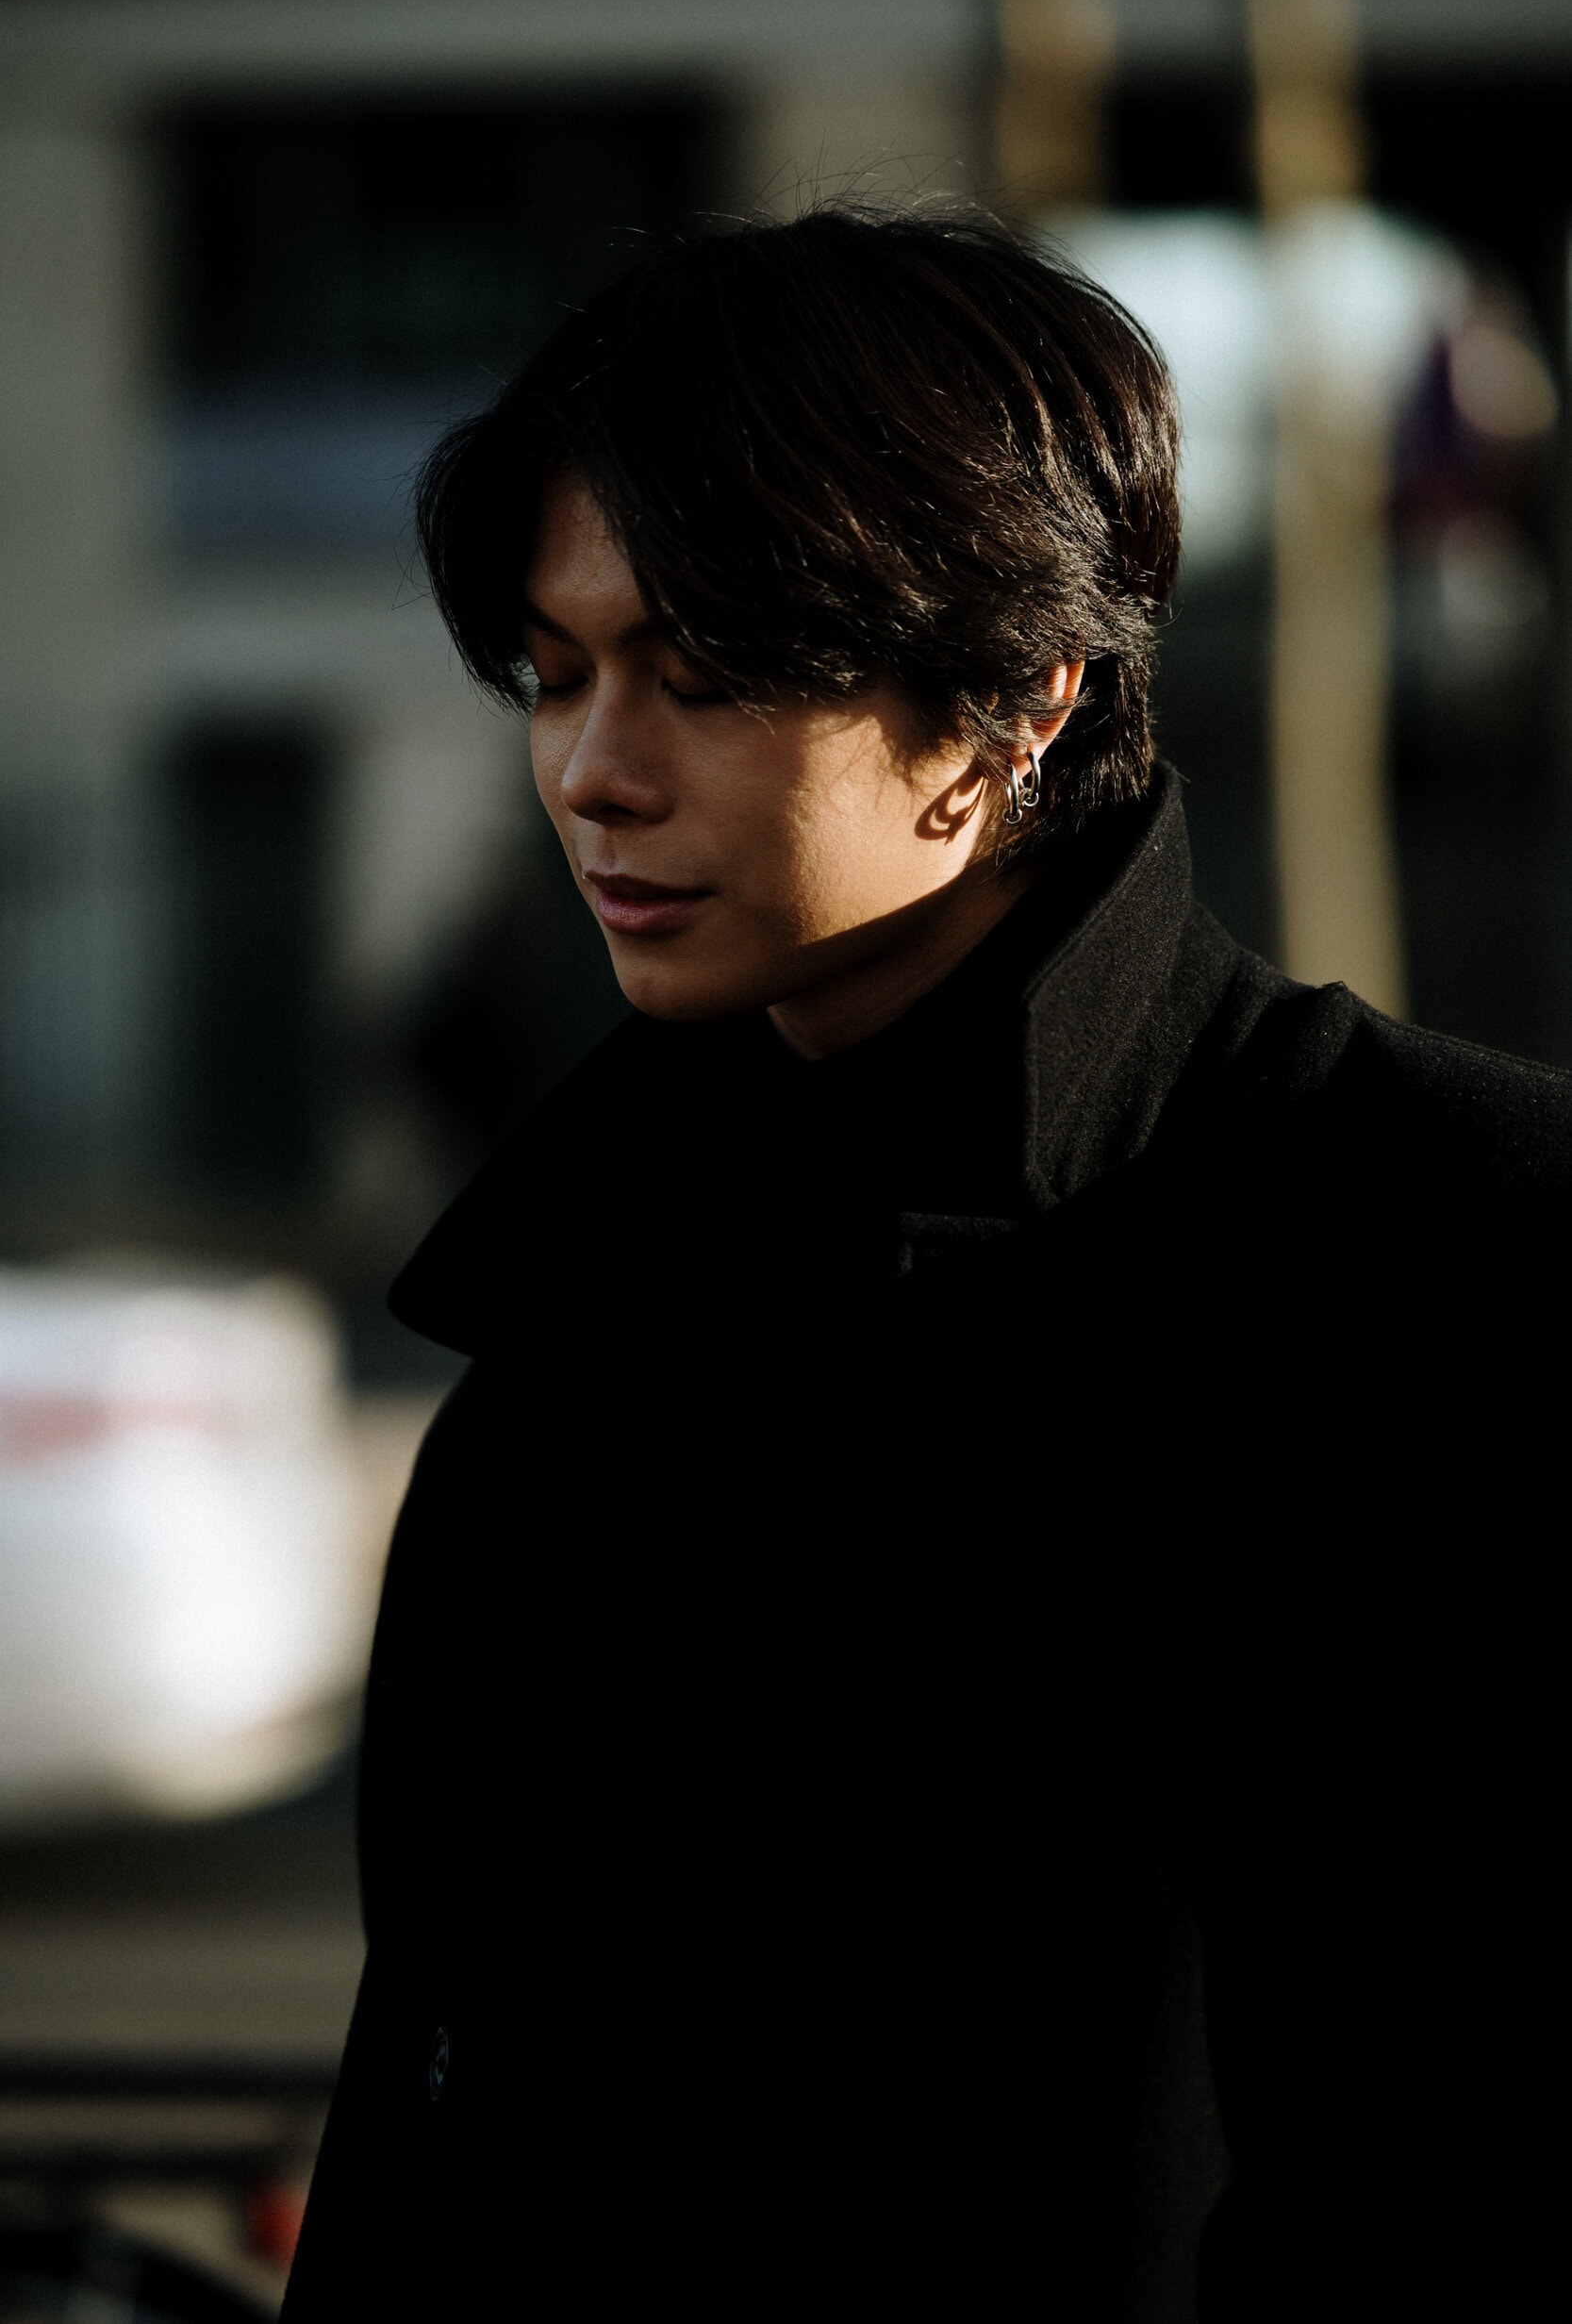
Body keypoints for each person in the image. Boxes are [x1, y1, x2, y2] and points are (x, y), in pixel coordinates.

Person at [282, 207, 1567, 2321]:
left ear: (1017, 695)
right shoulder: (571, 1336)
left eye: (703, 675)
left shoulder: (1460, 1253)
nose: (594, 772)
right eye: (554, 674)